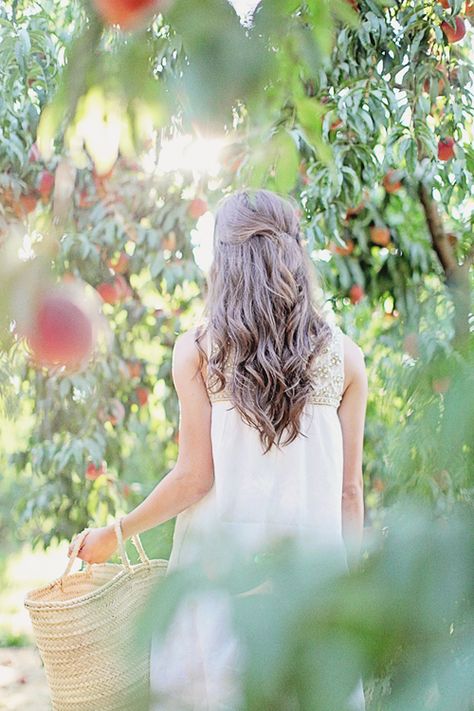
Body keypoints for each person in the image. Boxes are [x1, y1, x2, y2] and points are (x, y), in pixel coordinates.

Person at [68, 188, 368, 710]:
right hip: (313, 588)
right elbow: (349, 493)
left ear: (223, 261)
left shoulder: (199, 352)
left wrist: (115, 534)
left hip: (219, 584)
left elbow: (193, 478)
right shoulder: (346, 358)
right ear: (295, 252)